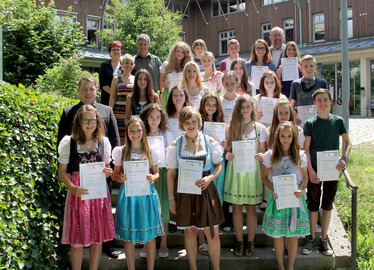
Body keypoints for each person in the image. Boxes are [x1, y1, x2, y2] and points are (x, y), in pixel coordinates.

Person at [57, 76, 120, 259]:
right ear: (79, 91)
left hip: (100, 179)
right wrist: (70, 179)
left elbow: (114, 141)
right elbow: (61, 146)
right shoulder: (69, 112)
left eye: (92, 89)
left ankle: (108, 246)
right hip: (78, 179)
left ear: (96, 91)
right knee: (79, 225)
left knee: (99, 223)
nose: (88, 93)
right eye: (85, 89)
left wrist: (112, 169)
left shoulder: (107, 111)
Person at [166, 106, 224, 270]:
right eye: (186, 122)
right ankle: (193, 267)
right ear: (182, 124)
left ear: (199, 122)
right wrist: (171, 199)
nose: (190, 125)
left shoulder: (209, 142)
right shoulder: (176, 145)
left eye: (193, 121)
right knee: (189, 232)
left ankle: (216, 268)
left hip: (205, 191)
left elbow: (219, 166)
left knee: (212, 233)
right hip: (184, 193)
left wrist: (210, 177)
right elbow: (170, 174)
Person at [301, 89, 351, 256]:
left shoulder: (338, 122)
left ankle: (323, 239)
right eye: (319, 101)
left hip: (332, 170)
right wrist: (310, 170)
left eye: (325, 100)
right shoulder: (310, 123)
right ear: (314, 103)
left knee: (327, 204)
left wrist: (344, 158)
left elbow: (348, 142)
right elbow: (306, 149)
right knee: (313, 205)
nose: (322, 103)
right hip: (315, 170)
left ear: (331, 102)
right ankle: (312, 237)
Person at [112, 118, 164, 270]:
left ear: (143, 132)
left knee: (150, 235)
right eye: (131, 131)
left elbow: (156, 173)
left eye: (138, 130)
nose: (135, 134)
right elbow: (115, 175)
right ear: (127, 132)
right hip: (128, 196)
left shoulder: (150, 150)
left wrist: (152, 177)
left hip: (146, 195)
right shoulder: (120, 151)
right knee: (128, 237)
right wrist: (119, 177)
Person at [262, 121, 310, 270]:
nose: (286, 139)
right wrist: (273, 189)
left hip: (295, 198)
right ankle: (281, 266)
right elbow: (264, 177)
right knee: (279, 234)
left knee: (292, 235)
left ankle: (290, 266)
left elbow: (305, 178)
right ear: (278, 137)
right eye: (283, 136)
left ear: (294, 137)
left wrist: (301, 189)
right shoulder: (270, 155)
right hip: (278, 198)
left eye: (289, 136)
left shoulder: (299, 155)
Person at [224, 94, 267, 257]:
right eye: (242, 107)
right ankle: (239, 240)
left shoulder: (259, 128)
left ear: (253, 108)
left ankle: (250, 241)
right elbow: (228, 150)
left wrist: (260, 156)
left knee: (250, 207)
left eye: (248, 107)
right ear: (238, 109)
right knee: (236, 207)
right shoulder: (232, 126)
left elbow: (262, 151)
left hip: (252, 171)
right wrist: (228, 154)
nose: (245, 110)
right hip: (236, 170)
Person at [139, 103, 174, 258]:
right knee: (148, 209)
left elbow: (171, 158)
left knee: (164, 208)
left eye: (158, 117)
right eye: (151, 117)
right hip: (145, 175)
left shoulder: (166, 134)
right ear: (146, 118)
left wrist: (167, 153)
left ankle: (164, 243)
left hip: (162, 174)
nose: (154, 120)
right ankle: (148, 243)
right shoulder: (140, 133)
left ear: (162, 118)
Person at [290, 55, 328, 125]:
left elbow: (327, 103)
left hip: (318, 121)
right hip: (301, 122)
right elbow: (292, 104)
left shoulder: (322, 83)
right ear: (300, 68)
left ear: (315, 67)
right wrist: (295, 116)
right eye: (305, 66)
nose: (308, 69)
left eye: (311, 66)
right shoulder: (295, 84)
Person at [109, 54, 135, 143]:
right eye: (127, 63)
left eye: (131, 64)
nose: (129, 66)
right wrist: (110, 112)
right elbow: (112, 96)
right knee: (119, 137)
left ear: (134, 66)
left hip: (130, 112)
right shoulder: (116, 79)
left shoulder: (136, 79)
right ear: (122, 64)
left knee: (130, 136)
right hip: (118, 112)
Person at [159, 41, 193, 107]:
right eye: (178, 51)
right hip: (169, 95)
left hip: (183, 96)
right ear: (174, 52)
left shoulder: (188, 66)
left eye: (182, 52)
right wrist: (165, 84)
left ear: (186, 54)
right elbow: (161, 82)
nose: (179, 53)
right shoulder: (166, 65)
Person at [99, 41, 123, 105]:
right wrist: (114, 95)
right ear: (110, 51)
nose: (116, 51)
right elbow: (103, 84)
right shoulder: (104, 65)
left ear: (121, 51)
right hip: (107, 98)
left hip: (121, 100)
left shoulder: (124, 66)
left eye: (118, 49)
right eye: (113, 49)